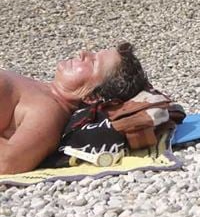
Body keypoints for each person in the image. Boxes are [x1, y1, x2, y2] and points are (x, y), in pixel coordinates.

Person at [0, 43, 148, 175]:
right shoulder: (43, 90)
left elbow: (9, 163)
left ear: (92, 97)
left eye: (92, 62)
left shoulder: (48, 112)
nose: (83, 53)